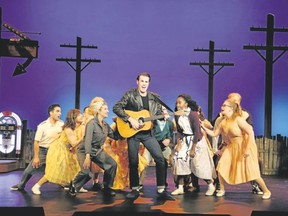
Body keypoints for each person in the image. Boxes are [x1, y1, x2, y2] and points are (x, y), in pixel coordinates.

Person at [113, 72, 175, 201]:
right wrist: (130, 119)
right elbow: (116, 107)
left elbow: (157, 113)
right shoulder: (130, 95)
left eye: (146, 82)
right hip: (133, 133)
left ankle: (161, 189)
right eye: (142, 81)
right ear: (137, 82)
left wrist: (164, 114)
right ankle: (135, 188)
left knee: (160, 159)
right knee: (134, 161)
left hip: (148, 134)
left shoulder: (154, 97)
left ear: (149, 83)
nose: (144, 84)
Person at [201, 99, 271, 199]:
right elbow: (214, 134)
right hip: (231, 146)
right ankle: (221, 188)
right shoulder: (223, 122)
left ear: (231, 109)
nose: (222, 107)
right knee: (220, 166)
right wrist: (203, 127)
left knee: (252, 172)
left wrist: (247, 149)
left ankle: (266, 190)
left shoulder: (238, 119)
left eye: (224, 105)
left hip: (243, 145)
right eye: (222, 105)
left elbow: (250, 132)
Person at [212, 92, 263, 195]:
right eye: (232, 101)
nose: (235, 103)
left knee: (254, 163)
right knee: (218, 161)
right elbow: (215, 131)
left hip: (242, 143)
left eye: (237, 101)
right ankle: (218, 185)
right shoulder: (221, 116)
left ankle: (255, 185)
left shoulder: (244, 115)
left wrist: (247, 148)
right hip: (227, 144)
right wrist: (215, 148)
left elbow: (250, 131)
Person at [70, 98, 120, 197]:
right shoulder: (91, 123)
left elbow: (115, 136)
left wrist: (119, 124)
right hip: (84, 150)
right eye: (105, 109)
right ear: (99, 111)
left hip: (97, 150)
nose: (108, 111)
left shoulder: (105, 125)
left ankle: (107, 187)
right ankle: (74, 185)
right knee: (87, 173)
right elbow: (87, 140)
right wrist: (88, 156)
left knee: (112, 164)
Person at [10, 104, 63, 191]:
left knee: (59, 169)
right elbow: (36, 142)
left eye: (60, 111)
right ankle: (21, 185)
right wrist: (36, 157)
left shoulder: (61, 124)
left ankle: (65, 184)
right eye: (57, 111)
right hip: (43, 151)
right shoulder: (43, 126)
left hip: (55, 151)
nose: (60, 113)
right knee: (29, 170)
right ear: (51, 113)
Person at [31, 109, 84, 195]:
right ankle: (36, 186)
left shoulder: (76, 127)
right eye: (79, 115)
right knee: (55, 171)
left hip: (67, 149)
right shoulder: (68, 129)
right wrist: (83, 137)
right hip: (59, 150)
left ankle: (75, 186)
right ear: (74, 117)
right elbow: (74, 143)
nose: (82, 116)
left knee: (74, 168)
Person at [171, 94, 216, 196]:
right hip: (185, 139)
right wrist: (179, 143)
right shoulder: (177, 114)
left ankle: (211, 185)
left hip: (196, 141)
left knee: (198, 165)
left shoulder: (193, 114)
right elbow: (179, 130)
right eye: (176, 103)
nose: (177, 104)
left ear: (186, 104)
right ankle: (181, 187)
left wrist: (193, 148)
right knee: (180, 161)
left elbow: (197, 132)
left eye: (180, 102)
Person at [139, 106, 175, 190]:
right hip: (151, 146)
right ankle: (139, 184)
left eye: (165, 110)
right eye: (162, 110)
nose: (164, 112)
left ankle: (170, 184)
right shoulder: (152, 123)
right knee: (143, 163)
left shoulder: (169, 123)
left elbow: (169, 135)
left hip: (163, 146)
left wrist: (168, 139)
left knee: (172, 161)